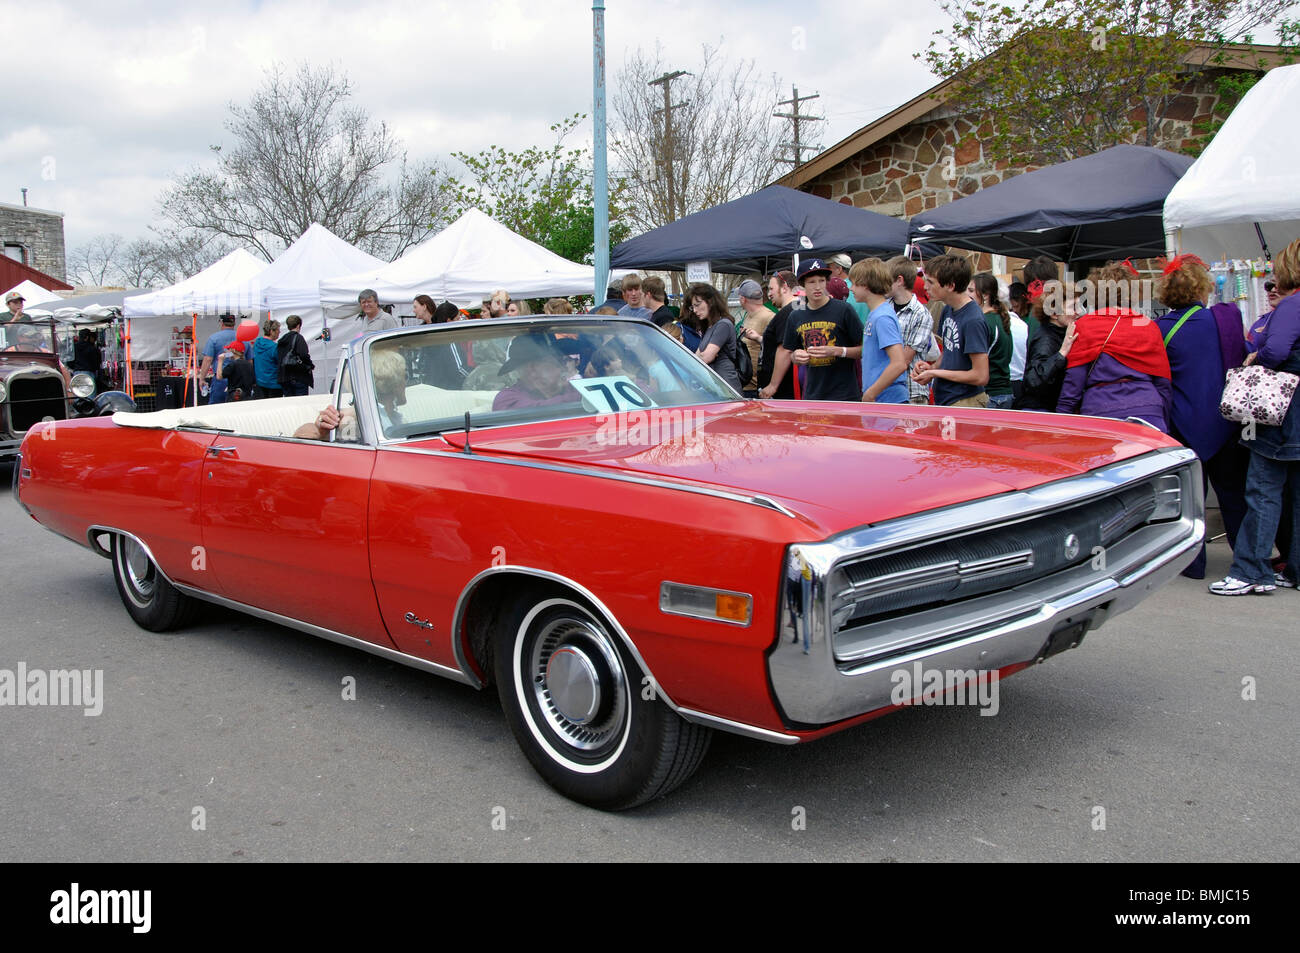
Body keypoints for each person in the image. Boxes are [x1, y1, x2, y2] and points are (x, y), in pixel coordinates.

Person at [1210, 238, 1300, 595]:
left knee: (1262, 490)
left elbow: (1276, 350)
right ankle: (1293, 570)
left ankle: (1251, 571)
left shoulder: (1291, 306)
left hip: (1281, 412)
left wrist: (1255, 358)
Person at [1154, 254, 1249, 578]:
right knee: (1234, 496)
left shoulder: (1159, 329)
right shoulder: (1225, 318)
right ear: (1202, 287)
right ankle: (1247, 562)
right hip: (1225, 423)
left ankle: (1193, 564)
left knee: (1191, 500)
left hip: (1182, 424)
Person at [1057, 263, 1171, 429]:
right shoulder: (1148, 326)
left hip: (1101, 411)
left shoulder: (1084, 326)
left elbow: (1073, 384)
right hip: (1148, 410)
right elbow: (1163, 383)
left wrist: (1061, 423)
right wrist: (1163, 418)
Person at [760, 259, 863, 402]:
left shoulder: (844, 310)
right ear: (802, 285)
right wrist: (796, 357)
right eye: (812, 282)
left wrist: (838, 351)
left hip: (844, 396)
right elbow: (789, 351)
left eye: (821, 281)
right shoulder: (796, 315)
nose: (818, 287)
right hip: (812, 396)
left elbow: (865, 350)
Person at [913, 255, 990, 407]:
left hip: (965, 401)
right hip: (947, 398)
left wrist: (935, 373)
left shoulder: (973, 320)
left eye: (930, 282)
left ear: (950, 286)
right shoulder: (948, 308)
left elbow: (980, 376)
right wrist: (932, 368)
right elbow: (949, 351)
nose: (925, 287)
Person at [850, 258, 908, 404]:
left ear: (866, 285)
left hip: (888, 399)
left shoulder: (882, 317)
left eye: (855, 284)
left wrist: (871, 393)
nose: (851, 289)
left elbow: (899, 363)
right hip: (882, 398)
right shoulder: (876, 313)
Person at [1017, 279, 1077, 411]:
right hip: (1037, 411)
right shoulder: (1045, 338)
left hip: (1047, 408)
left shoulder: (1058, 333)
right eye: (1073, 307)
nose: (1078, 312)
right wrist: (1062, 353)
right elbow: (1033, 380)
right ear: (1054, 313)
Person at [886, 256, 939, 405]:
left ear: (899, 281)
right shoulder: (885, 307)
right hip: (886, 390)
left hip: (911, 391)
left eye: (886, 279)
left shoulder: (921, 313)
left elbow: (905, 358)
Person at [493, 333, 578, 410]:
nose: (564, 368)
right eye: (559, 362)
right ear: (532, 369)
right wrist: (583, 398)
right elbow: (535, 412)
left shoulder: (570, 388)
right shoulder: (508, 399)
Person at [688, 283, 744, 392]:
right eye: (693, 306)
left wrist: (704, 356)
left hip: (726, 387)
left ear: (710, 302)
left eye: (697, 304)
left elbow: (706, 357)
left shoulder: (723, 324)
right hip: (716, 387)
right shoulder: (710, 327)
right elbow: (696, 358)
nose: (694, 310)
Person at [972, 273, 1015, 409]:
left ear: (985, 295)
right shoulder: (998, 317)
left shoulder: (985, 321)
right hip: (1003, 393)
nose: (966, 295)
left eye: (971, 290)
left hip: (992, 394)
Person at [758, 271, 798, 400]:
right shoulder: (798, 308)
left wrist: (772, 385)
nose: (769, 294)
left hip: (783, 390)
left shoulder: (788, 312)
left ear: (784, 288)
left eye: (771, 289)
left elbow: (785, 349)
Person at [734, 278, 770, 396]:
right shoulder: (748, 316)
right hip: (745, 383)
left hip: (757, 388)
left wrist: (758, 338)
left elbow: (778, 347)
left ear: (742, 299)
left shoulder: (769, 317)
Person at [199, 312, 238, 404]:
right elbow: (249, 361)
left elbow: (207, 360)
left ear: (221, 322)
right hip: (239, 378)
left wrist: (202, 379)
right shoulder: (242, 338)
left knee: (216, 407)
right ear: (234, 323)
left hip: (220, 378)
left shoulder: (214, 338)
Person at [276, 314, 315, 397]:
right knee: (301, 404)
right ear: (298, 326)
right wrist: (310, 365)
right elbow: (304, 355)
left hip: (284, 377)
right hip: (298, 376)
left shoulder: (282, 340)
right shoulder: (298, 338)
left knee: (290, 405)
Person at [249, 318, 283, 399]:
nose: (279, 332)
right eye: (278, 330)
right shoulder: (275, 347)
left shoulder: (257, 343)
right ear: (272, 331)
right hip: (273, 384)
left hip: (259, 382)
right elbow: (281, 363)